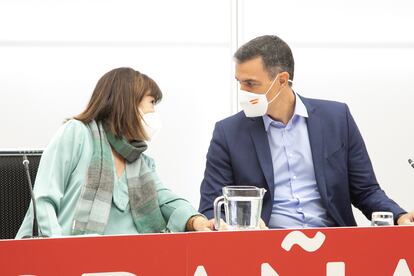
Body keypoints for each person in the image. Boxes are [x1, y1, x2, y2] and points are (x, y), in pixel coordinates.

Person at [199, 35, 414, 228]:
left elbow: (365, 190)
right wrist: (242, 227)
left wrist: (399, 216)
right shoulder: (228, 133)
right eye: (240, 83)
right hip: (264, 248)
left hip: (333, 242)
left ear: (282, 80)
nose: (243, 92)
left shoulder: (337, 119)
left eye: (251, 84)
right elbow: (211, 207)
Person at [16, 67, 213, 238]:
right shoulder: (77, 133)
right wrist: (59, 254)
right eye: (152, 102)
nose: (154, 112)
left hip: (133, 262)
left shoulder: (140, 160)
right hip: (73, 260)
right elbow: (44, 199)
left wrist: (196, 221)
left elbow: (165, 199)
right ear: (128, 101)